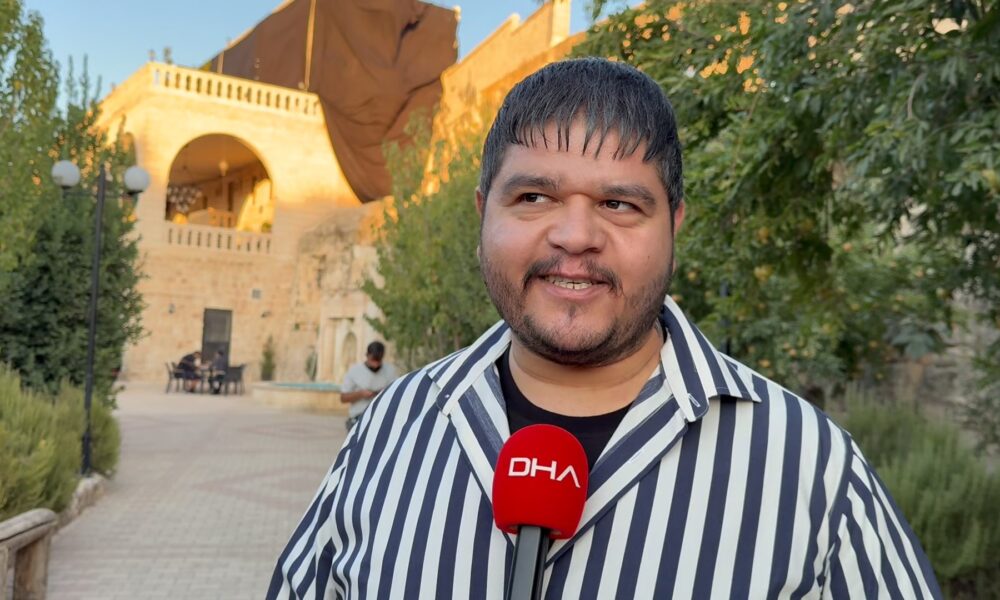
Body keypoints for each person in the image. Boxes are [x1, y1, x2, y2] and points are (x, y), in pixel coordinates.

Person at [268, 58, 941, 599]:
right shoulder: (392, 429)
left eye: (619, 204)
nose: (574, 236)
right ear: (483, 214)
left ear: (674, 225)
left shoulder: (811, 468)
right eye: (534, 197)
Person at [338, 341, 397, 430]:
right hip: (358, 418)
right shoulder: (355, 371)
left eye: (378, 360)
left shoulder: (390, 371)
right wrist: (360, 394)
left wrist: (384, 393)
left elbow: (397, 393)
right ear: (367, 355)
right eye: (373, 360)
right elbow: (343, 398)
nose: (376, 364)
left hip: (382, 418)